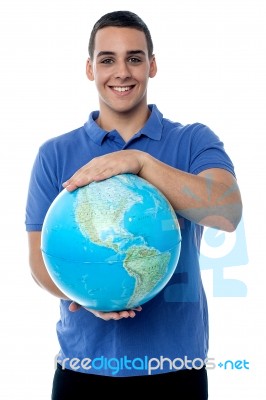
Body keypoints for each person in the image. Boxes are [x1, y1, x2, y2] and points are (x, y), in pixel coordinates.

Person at [25, 10, 242, 399]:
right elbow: (39, 263)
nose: (121, 72)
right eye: (107, 59)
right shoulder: (54, 154)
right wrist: (82, 299)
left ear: (152, 65)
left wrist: (142, 164)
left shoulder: (193, 141)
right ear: (90, 69)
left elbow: (227, 213)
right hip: (83, 371)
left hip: (175, 371)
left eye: (135, 58)